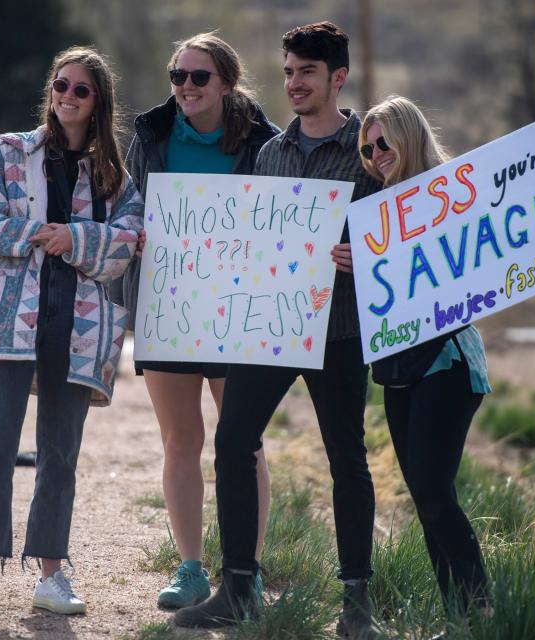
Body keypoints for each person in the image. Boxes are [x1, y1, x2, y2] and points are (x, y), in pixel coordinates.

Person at [355, 96, 535, 639]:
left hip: (449, 363)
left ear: (408, 135)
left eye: (383, 143)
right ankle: (459, 618)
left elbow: (520, 226)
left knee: (435, 489)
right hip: (398, 369)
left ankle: (481, 611)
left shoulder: (456, 191)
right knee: (424, 495)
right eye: (368, 149)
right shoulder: (375, 209)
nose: (375, 155)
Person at [174, 22, 383, 633]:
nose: (293, 83)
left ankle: (356, 605)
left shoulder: (369, 151)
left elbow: (406, 226)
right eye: (289, 71)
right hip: (272, 327)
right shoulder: (270, 155)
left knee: (347, 458)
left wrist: (364, 253)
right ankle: (238, 588)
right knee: (234, 441)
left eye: (306, 73)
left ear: (337, 78)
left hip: (342, 330)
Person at [0, 46, 143, 626]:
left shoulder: (112, 176)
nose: (68, 96)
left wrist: (72, 239)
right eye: (61, 84)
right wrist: (36, 233)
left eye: (81, 89)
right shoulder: (3, 154)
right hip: (4, 316)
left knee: (60, 453)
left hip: (76, 324)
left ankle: (51, 572)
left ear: (97, 101)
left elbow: (129, 239)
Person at [114, 32, 279, 610]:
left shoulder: (265, 141)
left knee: (243, 442)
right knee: (180, 439)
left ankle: (245, 570)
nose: (186, 87)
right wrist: (129, 239)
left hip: (240, 309)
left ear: (227, 82)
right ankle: (189, 569)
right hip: (167, 304)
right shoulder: (151, 135)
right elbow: (128, 203)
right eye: (178, 77)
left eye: (199, 77)